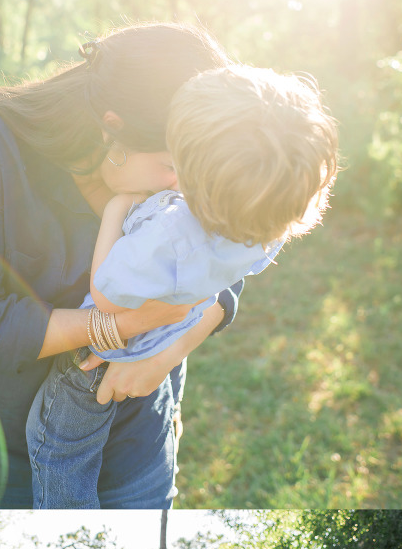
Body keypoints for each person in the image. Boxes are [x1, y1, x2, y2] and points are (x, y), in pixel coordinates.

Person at [0, 22, 245, 509]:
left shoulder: (189, 155)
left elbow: (233, 252)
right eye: (174, 168)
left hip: (135, 452)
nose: (189, 195)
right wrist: (127, 323)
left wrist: (164, 357)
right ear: (113, 127)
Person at [27, 65, 340, 507]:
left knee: (61, 459)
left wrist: (117, 208)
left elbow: (106, 294)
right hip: (162, 353)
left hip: (94, 362)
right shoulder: (262, 229)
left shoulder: (171, 234)